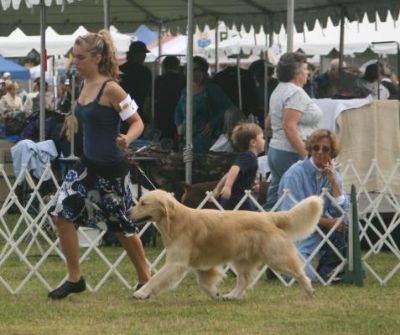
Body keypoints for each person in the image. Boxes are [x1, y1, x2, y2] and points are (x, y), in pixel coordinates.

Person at [48, 30, 151, 300]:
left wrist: (127, 138)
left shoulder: (112, 88)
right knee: (61, 213)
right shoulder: (83, 86)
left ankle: (146, 279)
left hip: (112, 169)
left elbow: (138, 122)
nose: (76, 62)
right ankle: (75, 278)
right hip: (87, 165)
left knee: (122, 228)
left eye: (81, 58)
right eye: (75, 57)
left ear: (96, 57)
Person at [278, 129, 350, 282]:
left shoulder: (335, 176)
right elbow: (289, 215)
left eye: (325, 149)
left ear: (332, 153)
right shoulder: (295, 173)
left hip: (322, 234)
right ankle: (280, 267)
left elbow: (344, 214)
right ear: (309, 149)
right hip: (297, 234)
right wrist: (327, 222)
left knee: (345, 225)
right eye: (316, 148)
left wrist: (334, 183)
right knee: (306, 277)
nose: (320, 152)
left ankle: (329, 268)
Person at [264, 52, 322, 210]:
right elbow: (289, 126)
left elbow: (268, 122)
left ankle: (263, 230)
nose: (307, 72)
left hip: (276, 150)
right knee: (294, 199)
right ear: (296, 73)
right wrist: (305, 154)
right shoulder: (296, 93)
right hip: (292, 151)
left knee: (276, 197)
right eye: (305, 68)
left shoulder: (278, 90)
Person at [175, 56, 233, 153]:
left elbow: (227, 108)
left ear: (203, 71)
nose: (192, 73)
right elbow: (178, 111)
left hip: (205, 139)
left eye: (196, 70)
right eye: (188, 70)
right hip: (186, 138)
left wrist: (212, 124)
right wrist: (179, 125)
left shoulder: (212, 89)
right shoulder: (185, 91)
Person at [213, 123, 265, 210]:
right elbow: (234, 169)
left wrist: (218, 189)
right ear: (253, 142)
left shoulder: (247, 156)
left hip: (234, 200)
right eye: (262, 138)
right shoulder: (249, 157)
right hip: (238, 200)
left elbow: (229, 174)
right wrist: (227, 187)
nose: (264, 141)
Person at [154, 56, 185, 142]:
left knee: (163, 143)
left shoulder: (159, 80)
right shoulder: (184, 79)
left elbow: (150, 100)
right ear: (177, 65)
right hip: (180, 116)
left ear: (164, 66)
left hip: (162, 116)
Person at [119, 41, 152, 124]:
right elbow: (148, 95)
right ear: (135, 55)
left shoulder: (120, 69)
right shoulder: (145, 72)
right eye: (143, 53)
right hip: (138, 108)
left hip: (122, 108)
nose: (144, 56)